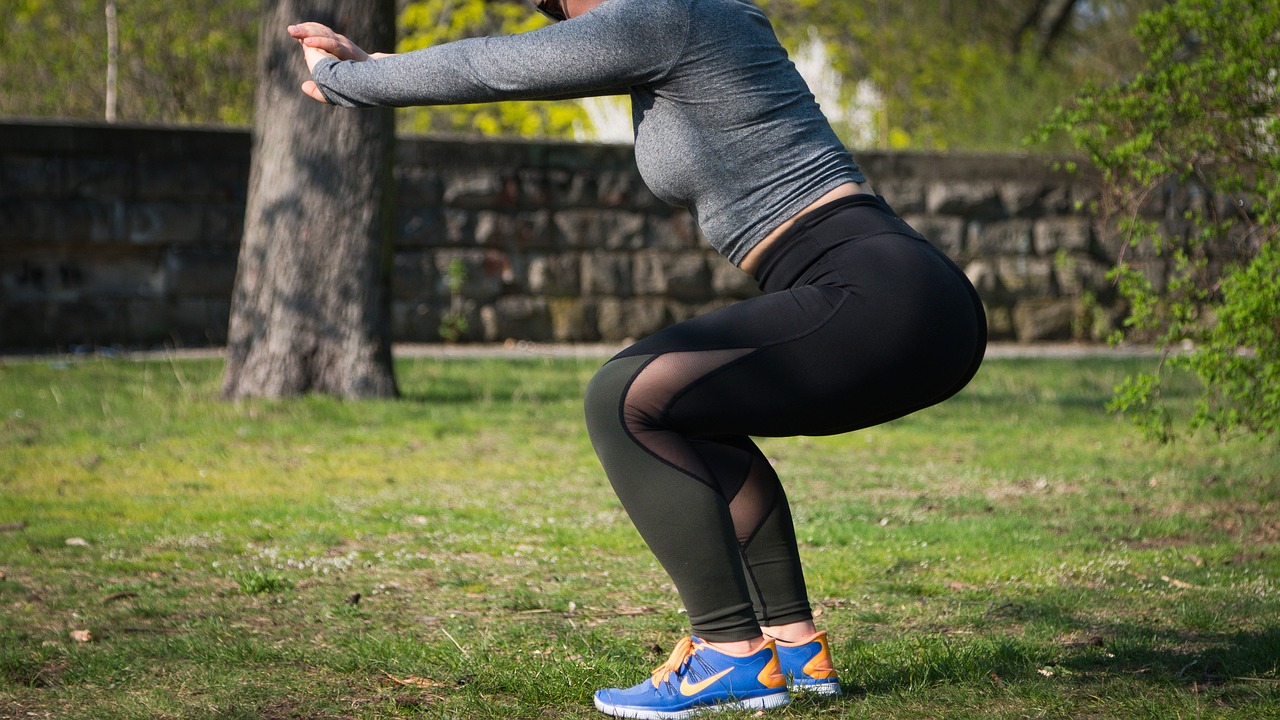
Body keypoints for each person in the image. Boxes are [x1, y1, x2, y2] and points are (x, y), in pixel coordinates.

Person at [290, 0, 986, 716]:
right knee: (693, 414)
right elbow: (509, 64)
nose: (559, 14)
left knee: (622, 399)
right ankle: (792, 648)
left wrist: (352, 82)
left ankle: (728, 655)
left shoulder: (668, 15)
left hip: (877, 292)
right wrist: (371, 65)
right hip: (911, 296)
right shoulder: (684, 22)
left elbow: (493, 66)